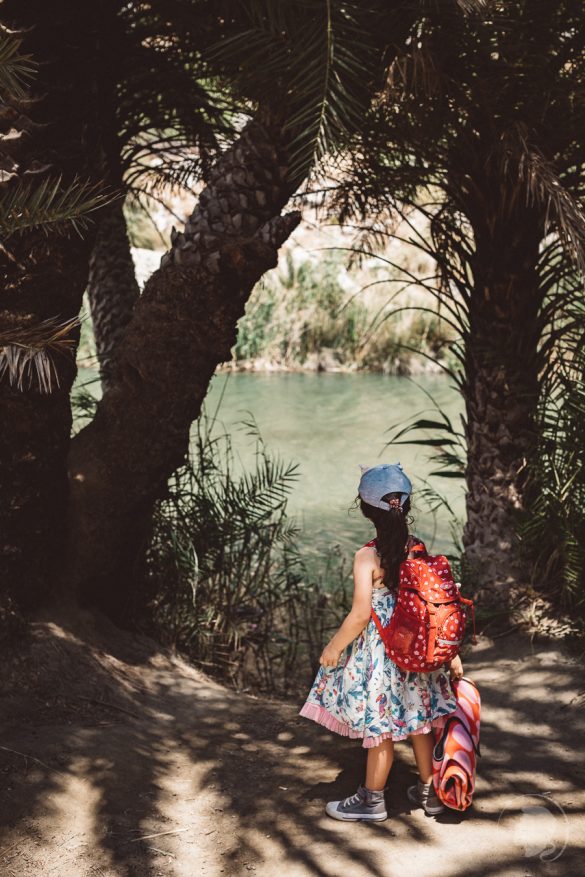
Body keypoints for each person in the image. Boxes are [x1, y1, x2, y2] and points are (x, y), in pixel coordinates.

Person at [299, 462, 463, 822]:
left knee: (381, 728)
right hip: (417, 649)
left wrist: (333, 647)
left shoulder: (366, 557)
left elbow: (360, 615)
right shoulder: (416, 547)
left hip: (383, 654)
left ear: (365, 509)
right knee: (420, 723)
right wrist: (451, 655)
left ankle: (372, 800)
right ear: (406, 505)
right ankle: (430, 794)